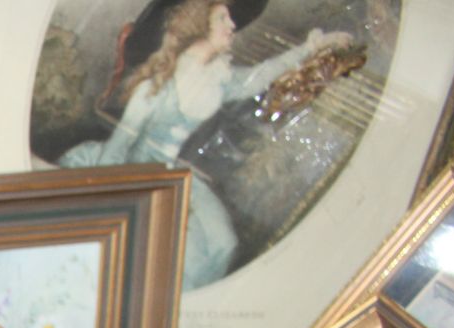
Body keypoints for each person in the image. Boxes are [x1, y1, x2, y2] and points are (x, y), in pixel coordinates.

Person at [61, 0, 351, 287]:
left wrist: (312, 47)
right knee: (170, 259)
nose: (232, 25)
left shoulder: (216, 80)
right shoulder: (157, 87)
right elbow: (116, 150)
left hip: (172, 174)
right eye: (223, 19)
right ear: (201, 27)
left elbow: (261, 75)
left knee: (223, 242)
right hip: (134, 176)